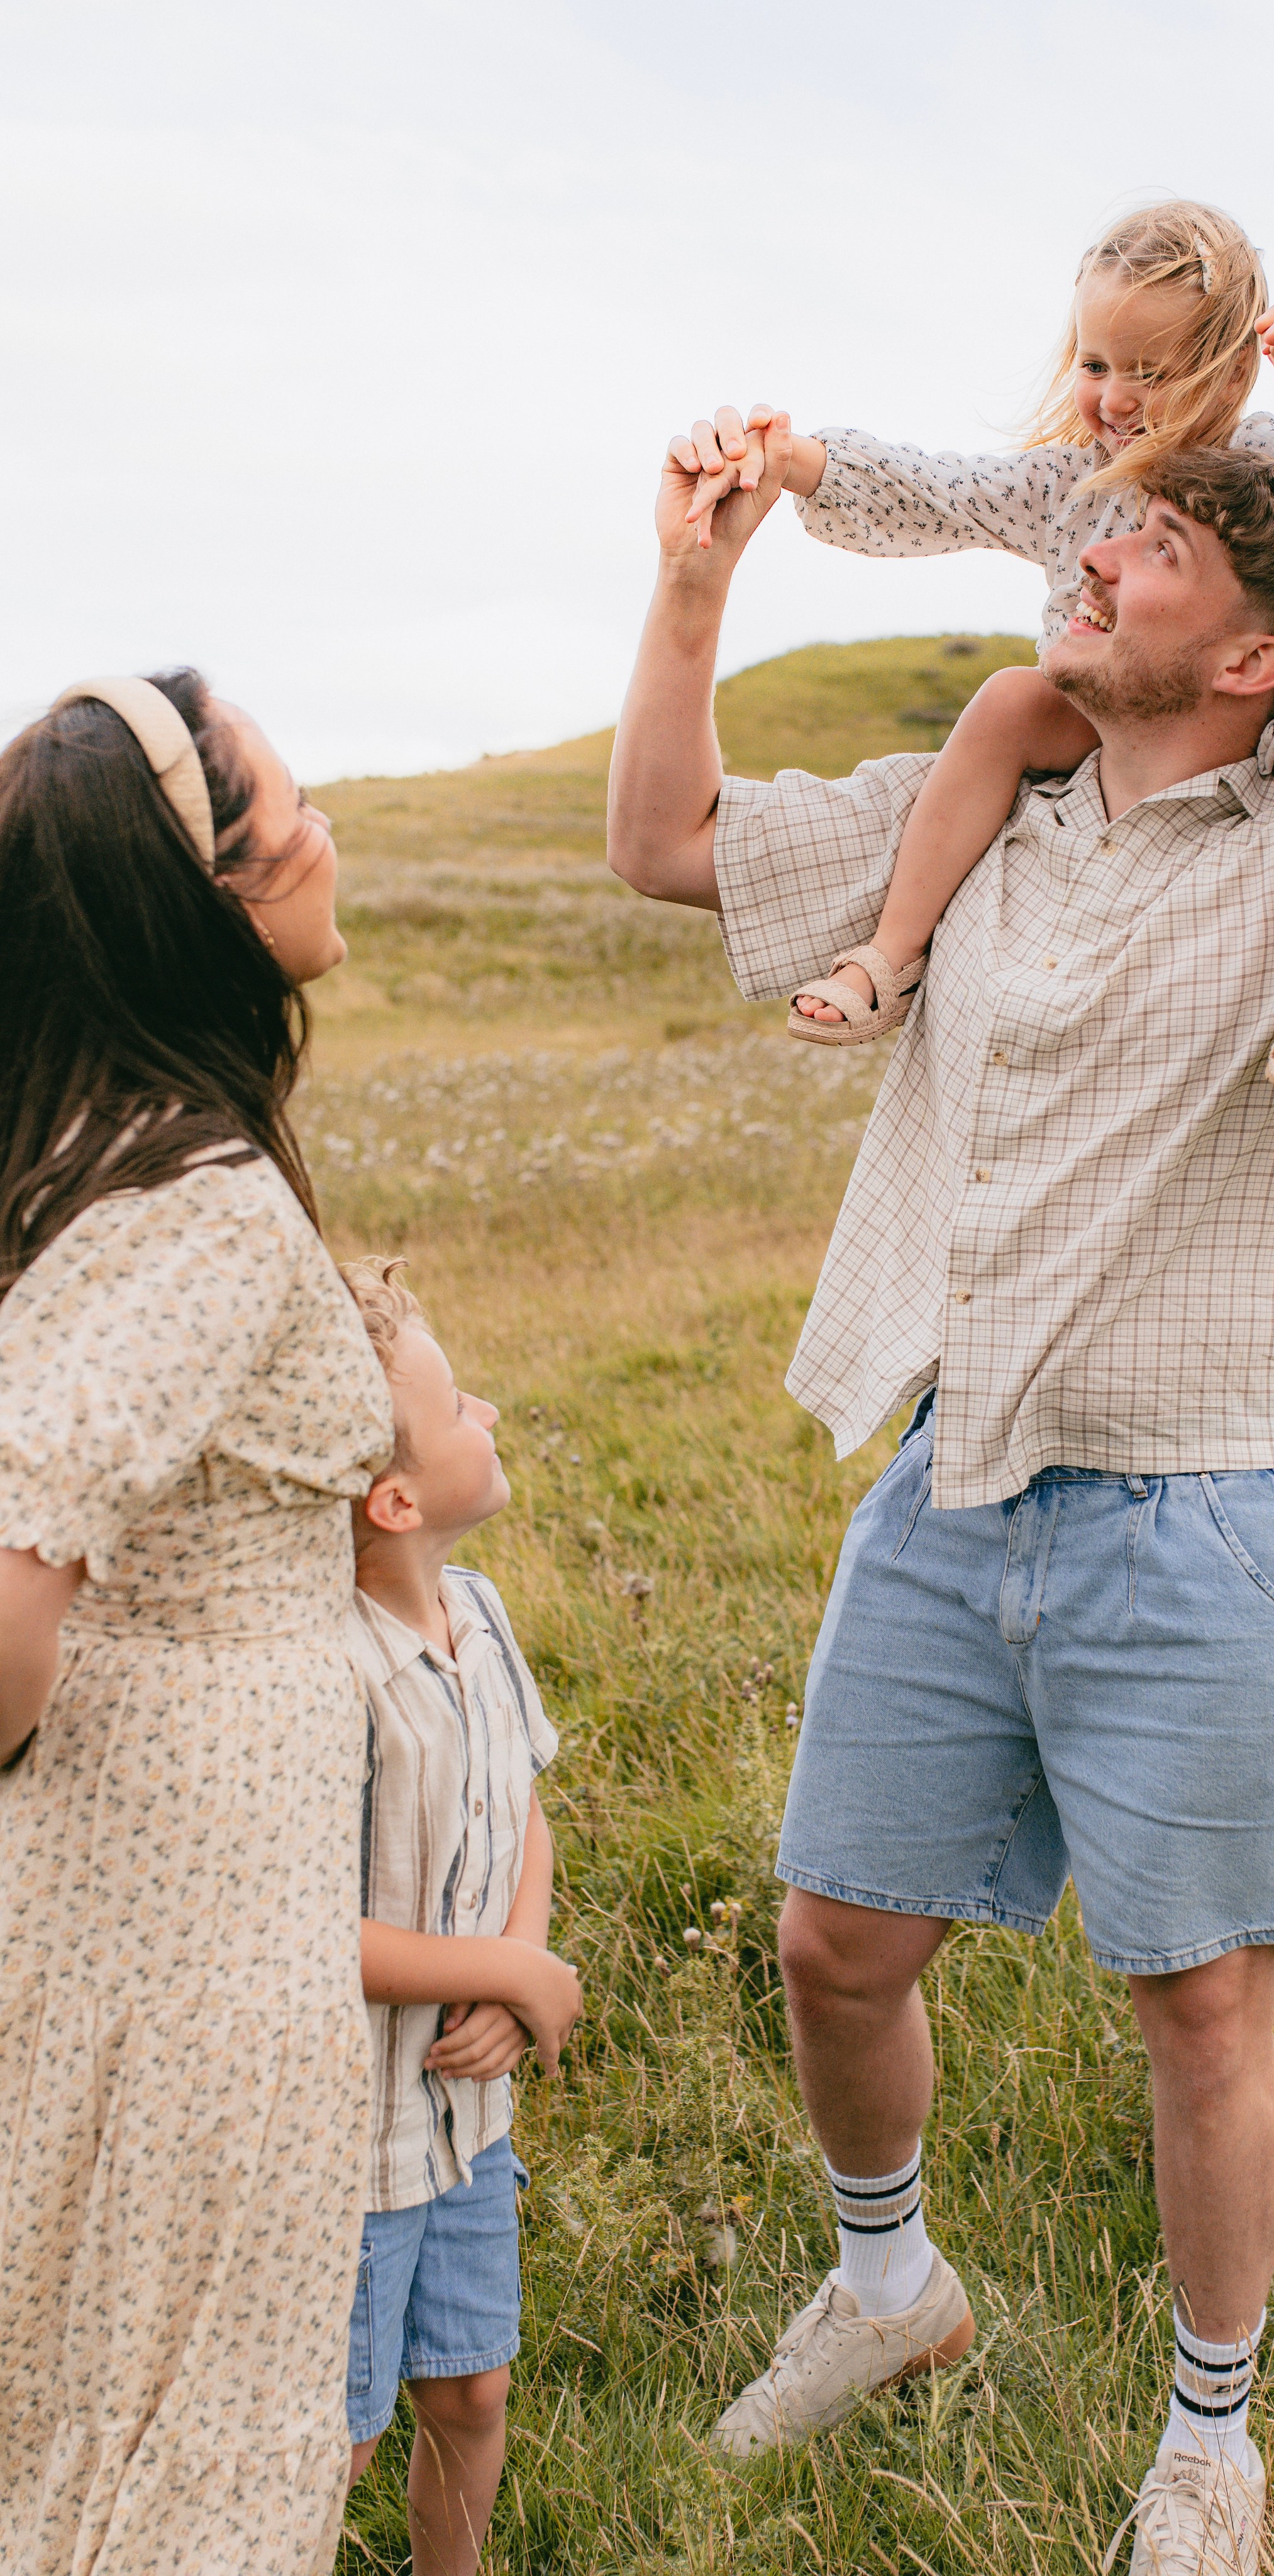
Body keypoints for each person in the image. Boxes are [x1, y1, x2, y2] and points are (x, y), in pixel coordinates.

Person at [606, 311, 1274, 2573]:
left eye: (1148, 543)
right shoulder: (980, 799)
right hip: (951, 1469)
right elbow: (664, 843)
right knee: (827, 1943)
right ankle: (890, 2283)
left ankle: (1207, 2443)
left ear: (1258, 653)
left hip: (1205, 1502)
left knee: (1198, 1998)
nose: (1088, 552)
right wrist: (698, 575)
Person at [0, 674, 395, 2576]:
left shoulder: (74, 1144)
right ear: (199, 907)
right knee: (174, 2466)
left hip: (126, 1913)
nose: (324, 834)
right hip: (189, 1954)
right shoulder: (201, 1203)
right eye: (284, 821)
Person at [675, 201, 1274, 1102]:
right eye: (1095, 363)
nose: (1114, 399)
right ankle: (890, 950)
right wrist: (793, 457)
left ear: (1234, 373)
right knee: (1009, 699)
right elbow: (941, 490)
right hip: (1121, 718)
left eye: (1152, 372)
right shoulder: (1070, 481)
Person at [340, 1258, 581, 2576]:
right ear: (396, 1496)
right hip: (359, 2144)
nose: (485, 1406)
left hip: (469, 2122)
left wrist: (518, 1963)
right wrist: (499, 1965)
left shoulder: (478, 1613)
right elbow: (308, 1927)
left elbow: (521, 1803)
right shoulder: (337, 1674)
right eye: (457, 1409)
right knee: (342, 2429)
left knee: (470, 2387)